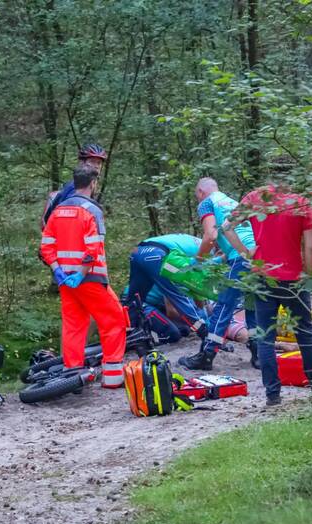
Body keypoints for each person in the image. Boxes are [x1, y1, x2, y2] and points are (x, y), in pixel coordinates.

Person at [227, 162, 312, 406]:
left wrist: (246, 254)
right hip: (293, 279)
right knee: (305, 333)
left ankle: (273, 395)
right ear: (291, 176)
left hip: (262, 277)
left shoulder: (255, 198)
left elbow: (226, 228)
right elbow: (310, 247)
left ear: (270, 174)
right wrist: (308, 275)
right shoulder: (300, 203)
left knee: (266, 336)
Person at [39, 165, 126, 388]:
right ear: (93, 183)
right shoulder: (91, 211)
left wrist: (58, 270)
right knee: (114, 319)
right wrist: (81, 273)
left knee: (74, 325)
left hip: (66, 281)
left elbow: (47, 246)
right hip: (90, 279)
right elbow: (92, 250)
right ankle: (114, 377)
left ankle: (72, 376)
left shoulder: (58, 210)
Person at [179, 177, 259, 370]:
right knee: (253, 306)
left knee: (223, 306)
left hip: (240, 257)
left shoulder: (207, 202)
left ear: (200, 192)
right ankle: (259, 354)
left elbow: (211, 236)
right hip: (257, 255)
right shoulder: (231, 201)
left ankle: (206, 355)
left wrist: (197, 261)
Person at [124, 233, 207, 338]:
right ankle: (205, 333)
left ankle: (125, 333)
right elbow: (176, 307)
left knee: (134, 301)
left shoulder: (199, 243)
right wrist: (204, 320)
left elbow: (197, 295)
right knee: (177, 297)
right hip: (156, 255)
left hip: (138, 251)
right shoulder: (209, 252)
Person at [40, 144, 108, 229]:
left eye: (99, 163)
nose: (96, 166)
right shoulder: (76, 187)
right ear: (82, 163)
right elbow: (69, 217)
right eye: (92, 161)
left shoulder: (84, 186)